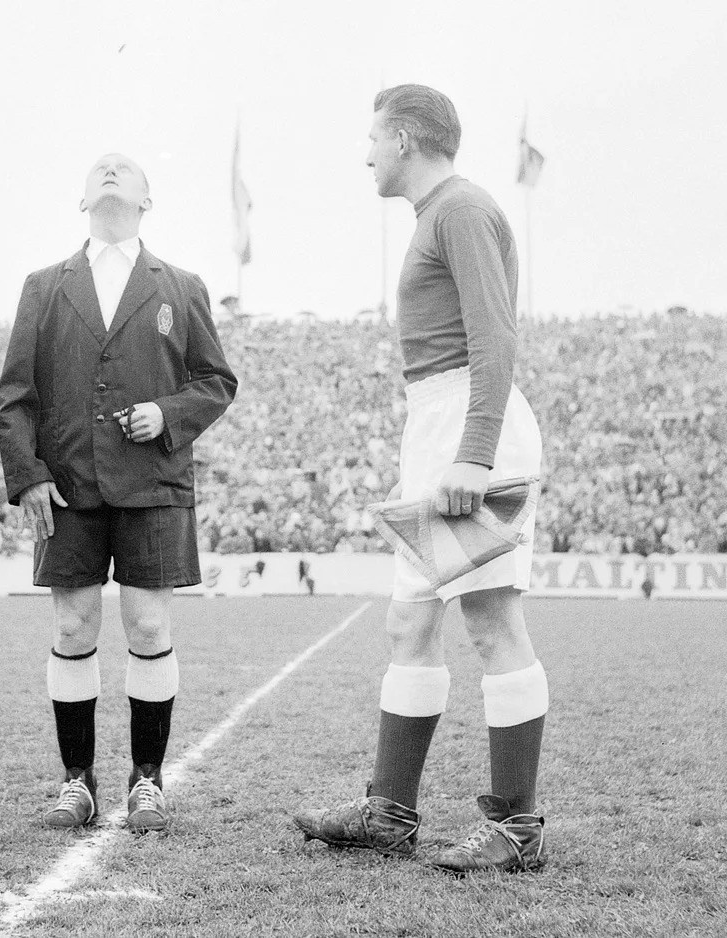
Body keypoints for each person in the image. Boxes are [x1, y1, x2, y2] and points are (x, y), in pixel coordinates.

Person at [294, 85, 549, 873]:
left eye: (372, 137)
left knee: (490, 623)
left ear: (405, 138)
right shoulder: (437, 216)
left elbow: (495, 335)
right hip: (439, 423)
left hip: (474, 425)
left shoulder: (461, 209)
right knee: (410, 623)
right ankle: (390, 814)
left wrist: (473, 454)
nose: (366, 152)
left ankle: (517, 827)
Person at [0, 153, 237, 833]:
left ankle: (147, 780)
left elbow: (217, 382)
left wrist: (169, 414)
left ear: (146, 200)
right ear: (81, 201)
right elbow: (15, 394)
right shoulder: (43, 286)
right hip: (67, 486)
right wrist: (28, 474)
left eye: (123, 170)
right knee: (73, 627)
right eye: (99, 169)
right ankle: (76, 781)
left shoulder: (182, 286)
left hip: (154, 483)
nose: (109, 172)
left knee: (151, 626)